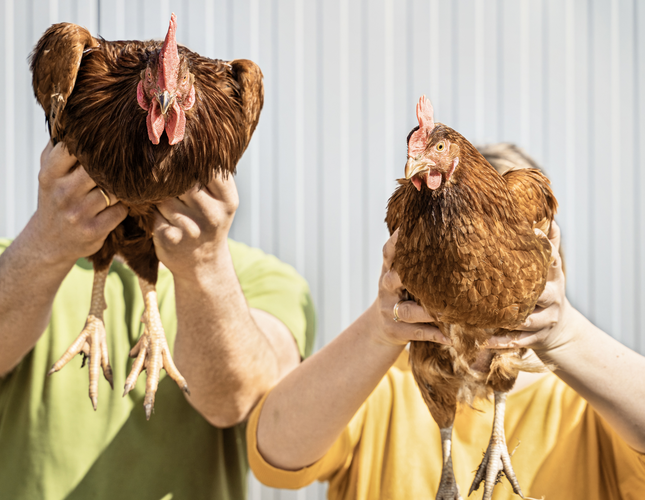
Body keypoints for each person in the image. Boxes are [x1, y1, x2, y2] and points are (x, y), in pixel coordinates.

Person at [247, 152, 645, 499]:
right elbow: (276, 452)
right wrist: (379, 330)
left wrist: (565, 334)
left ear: (548, 259)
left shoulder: (593, 404)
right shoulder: (380, 385)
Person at [0, 141, 315, 500]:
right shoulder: (13, 261)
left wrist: (204, 264)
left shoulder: (265, 281)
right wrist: (46, 243)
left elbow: (237, 402)